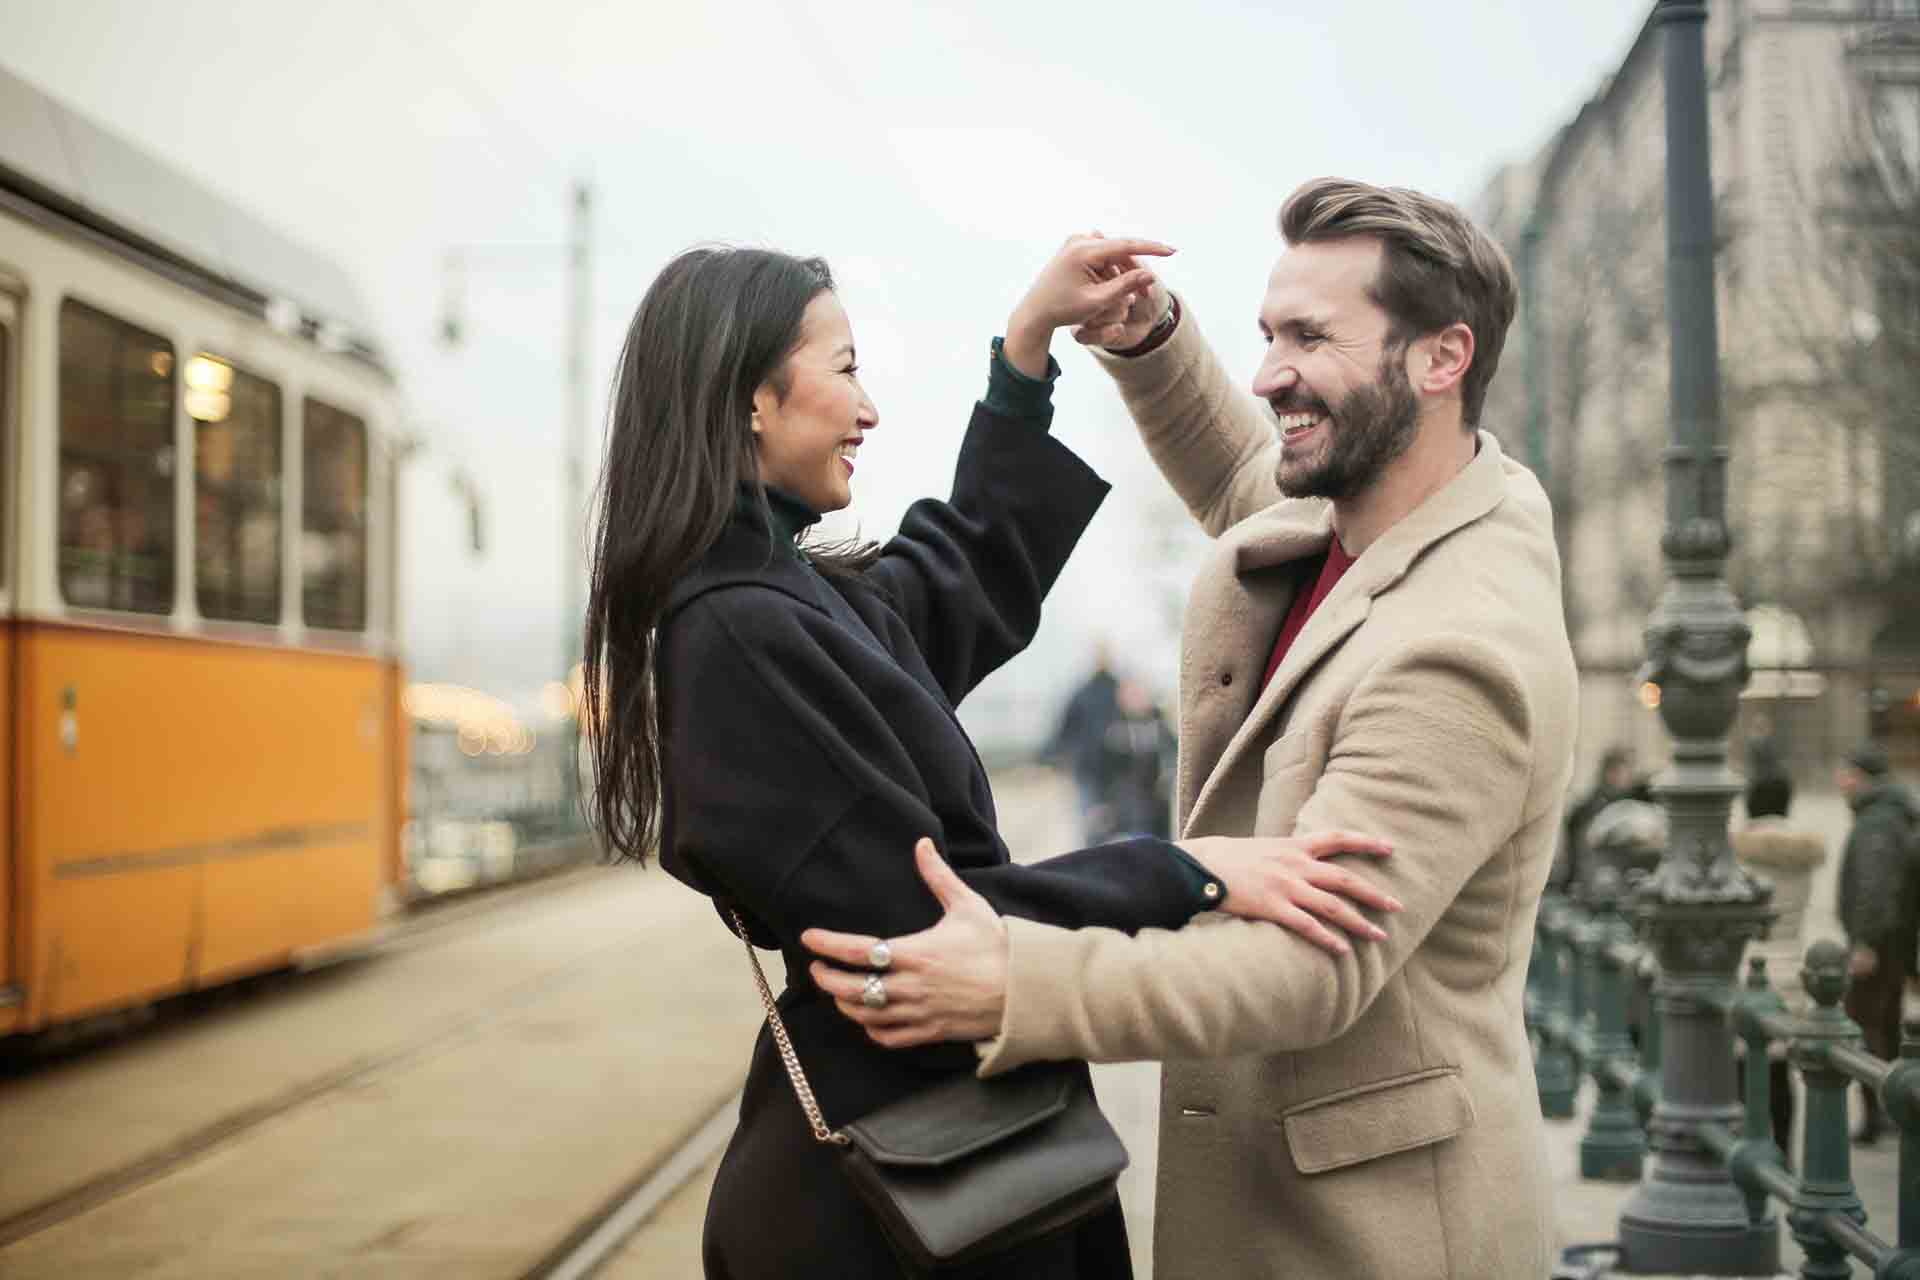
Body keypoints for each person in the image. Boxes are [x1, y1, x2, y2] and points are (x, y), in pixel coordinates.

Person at [803, 177, 1579, 1280]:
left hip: (1382, 1237)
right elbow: (1240, 473)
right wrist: (1149, 337)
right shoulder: (1376, 503)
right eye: (1268, 335)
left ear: (1441, 358)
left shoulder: (1458, 647)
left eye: (1311, 336)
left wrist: (1017, 983)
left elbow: (1309, 965)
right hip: (1287, 1204)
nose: (1269, 374)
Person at [581, 242, 1399, 1280]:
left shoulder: (786, 594)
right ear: (751, 399)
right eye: (844, 369)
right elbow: (930, 926)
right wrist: (1194, 869)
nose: (868, 408)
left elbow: (959, 569)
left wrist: (1027, 352)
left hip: (941, 1148)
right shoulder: (742, 629)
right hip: (905, 1190)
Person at [1731, 772, 1826, 1167]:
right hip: (1791, 963)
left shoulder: (1740, 852)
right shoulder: (1801, 855)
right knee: (1781, 1069)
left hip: (1749, 965)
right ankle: (1785, 1151)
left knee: (1744, 1068)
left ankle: (1751, 1147)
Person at [1835, 741, 1919, 1145]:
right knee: (1884, 1023)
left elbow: (1874, 885)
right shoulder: (1887, 814)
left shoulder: (1876, 823)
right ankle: (1888, 1112)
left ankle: (1877, 1115)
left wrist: (1864, 942)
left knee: (1864, 1023)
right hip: (1896, 940)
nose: (1840, 780)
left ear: (1864, 777)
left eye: (1846, 772)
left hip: (1879, 942)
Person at [1045, 643, 1121, 839]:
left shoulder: (1109, 691)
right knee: (1098, 820)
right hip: (1094, 768)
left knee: (1100, 820)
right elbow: (1065, 728)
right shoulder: (1087, 693)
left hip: (1106, 768)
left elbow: (1064, 729)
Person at [1558, 746, 1636, 894]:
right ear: (1608, 773)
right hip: (1594, 879)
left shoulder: (1631, 804)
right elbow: (1578, 850)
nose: (1625, 779)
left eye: (1626, 773)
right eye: (1619, 772)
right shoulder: (1588, 808)